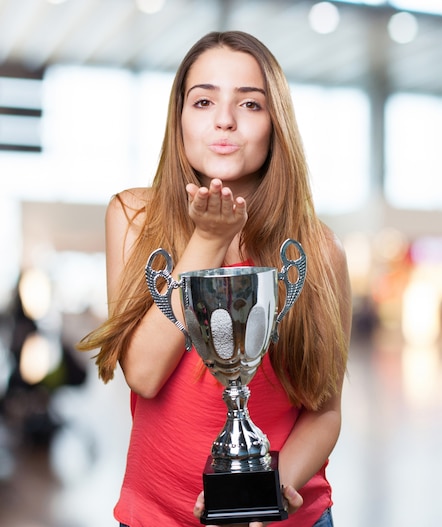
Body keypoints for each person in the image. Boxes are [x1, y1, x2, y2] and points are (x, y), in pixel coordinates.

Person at [77, 30, 352, 527]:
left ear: (275, 123)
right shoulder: (134, 217)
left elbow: (325, 411)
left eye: (250, 104)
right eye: (203, 101)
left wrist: (265, 493)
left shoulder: (318, 251)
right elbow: (142, 374)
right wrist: (207, 240)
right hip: (156, 517)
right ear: (178, 118)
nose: (224, 119)